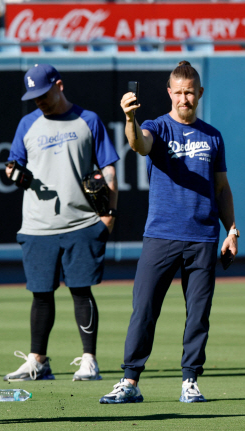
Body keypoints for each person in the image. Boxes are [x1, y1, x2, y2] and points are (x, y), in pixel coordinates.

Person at [100, 61, 238, 404]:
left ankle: (190, 380)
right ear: (169, 93)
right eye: (178, 92)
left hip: (203, 237)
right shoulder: (156, 127)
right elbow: (138, 145)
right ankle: (130, 381)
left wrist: (232, 230)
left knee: (198, 314)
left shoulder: (213, 136)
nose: (184, 98)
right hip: (161, 234)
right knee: (144, 308)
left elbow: (221, 189)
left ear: (200, 93)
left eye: (189, 92)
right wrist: (129, 118)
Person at [3, 64, 119, 382]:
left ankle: (89, 361)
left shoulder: (88, 120)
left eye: (43, 93)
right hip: (38, 224)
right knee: (41, 294)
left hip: (81, 220)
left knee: (81, 291)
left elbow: (108, 169)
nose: (38, 100)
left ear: (59, 85)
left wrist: (109, 215)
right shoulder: (28, 123)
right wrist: (15, 173)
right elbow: (12, 167)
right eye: (33, 96)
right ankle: (37, 361)